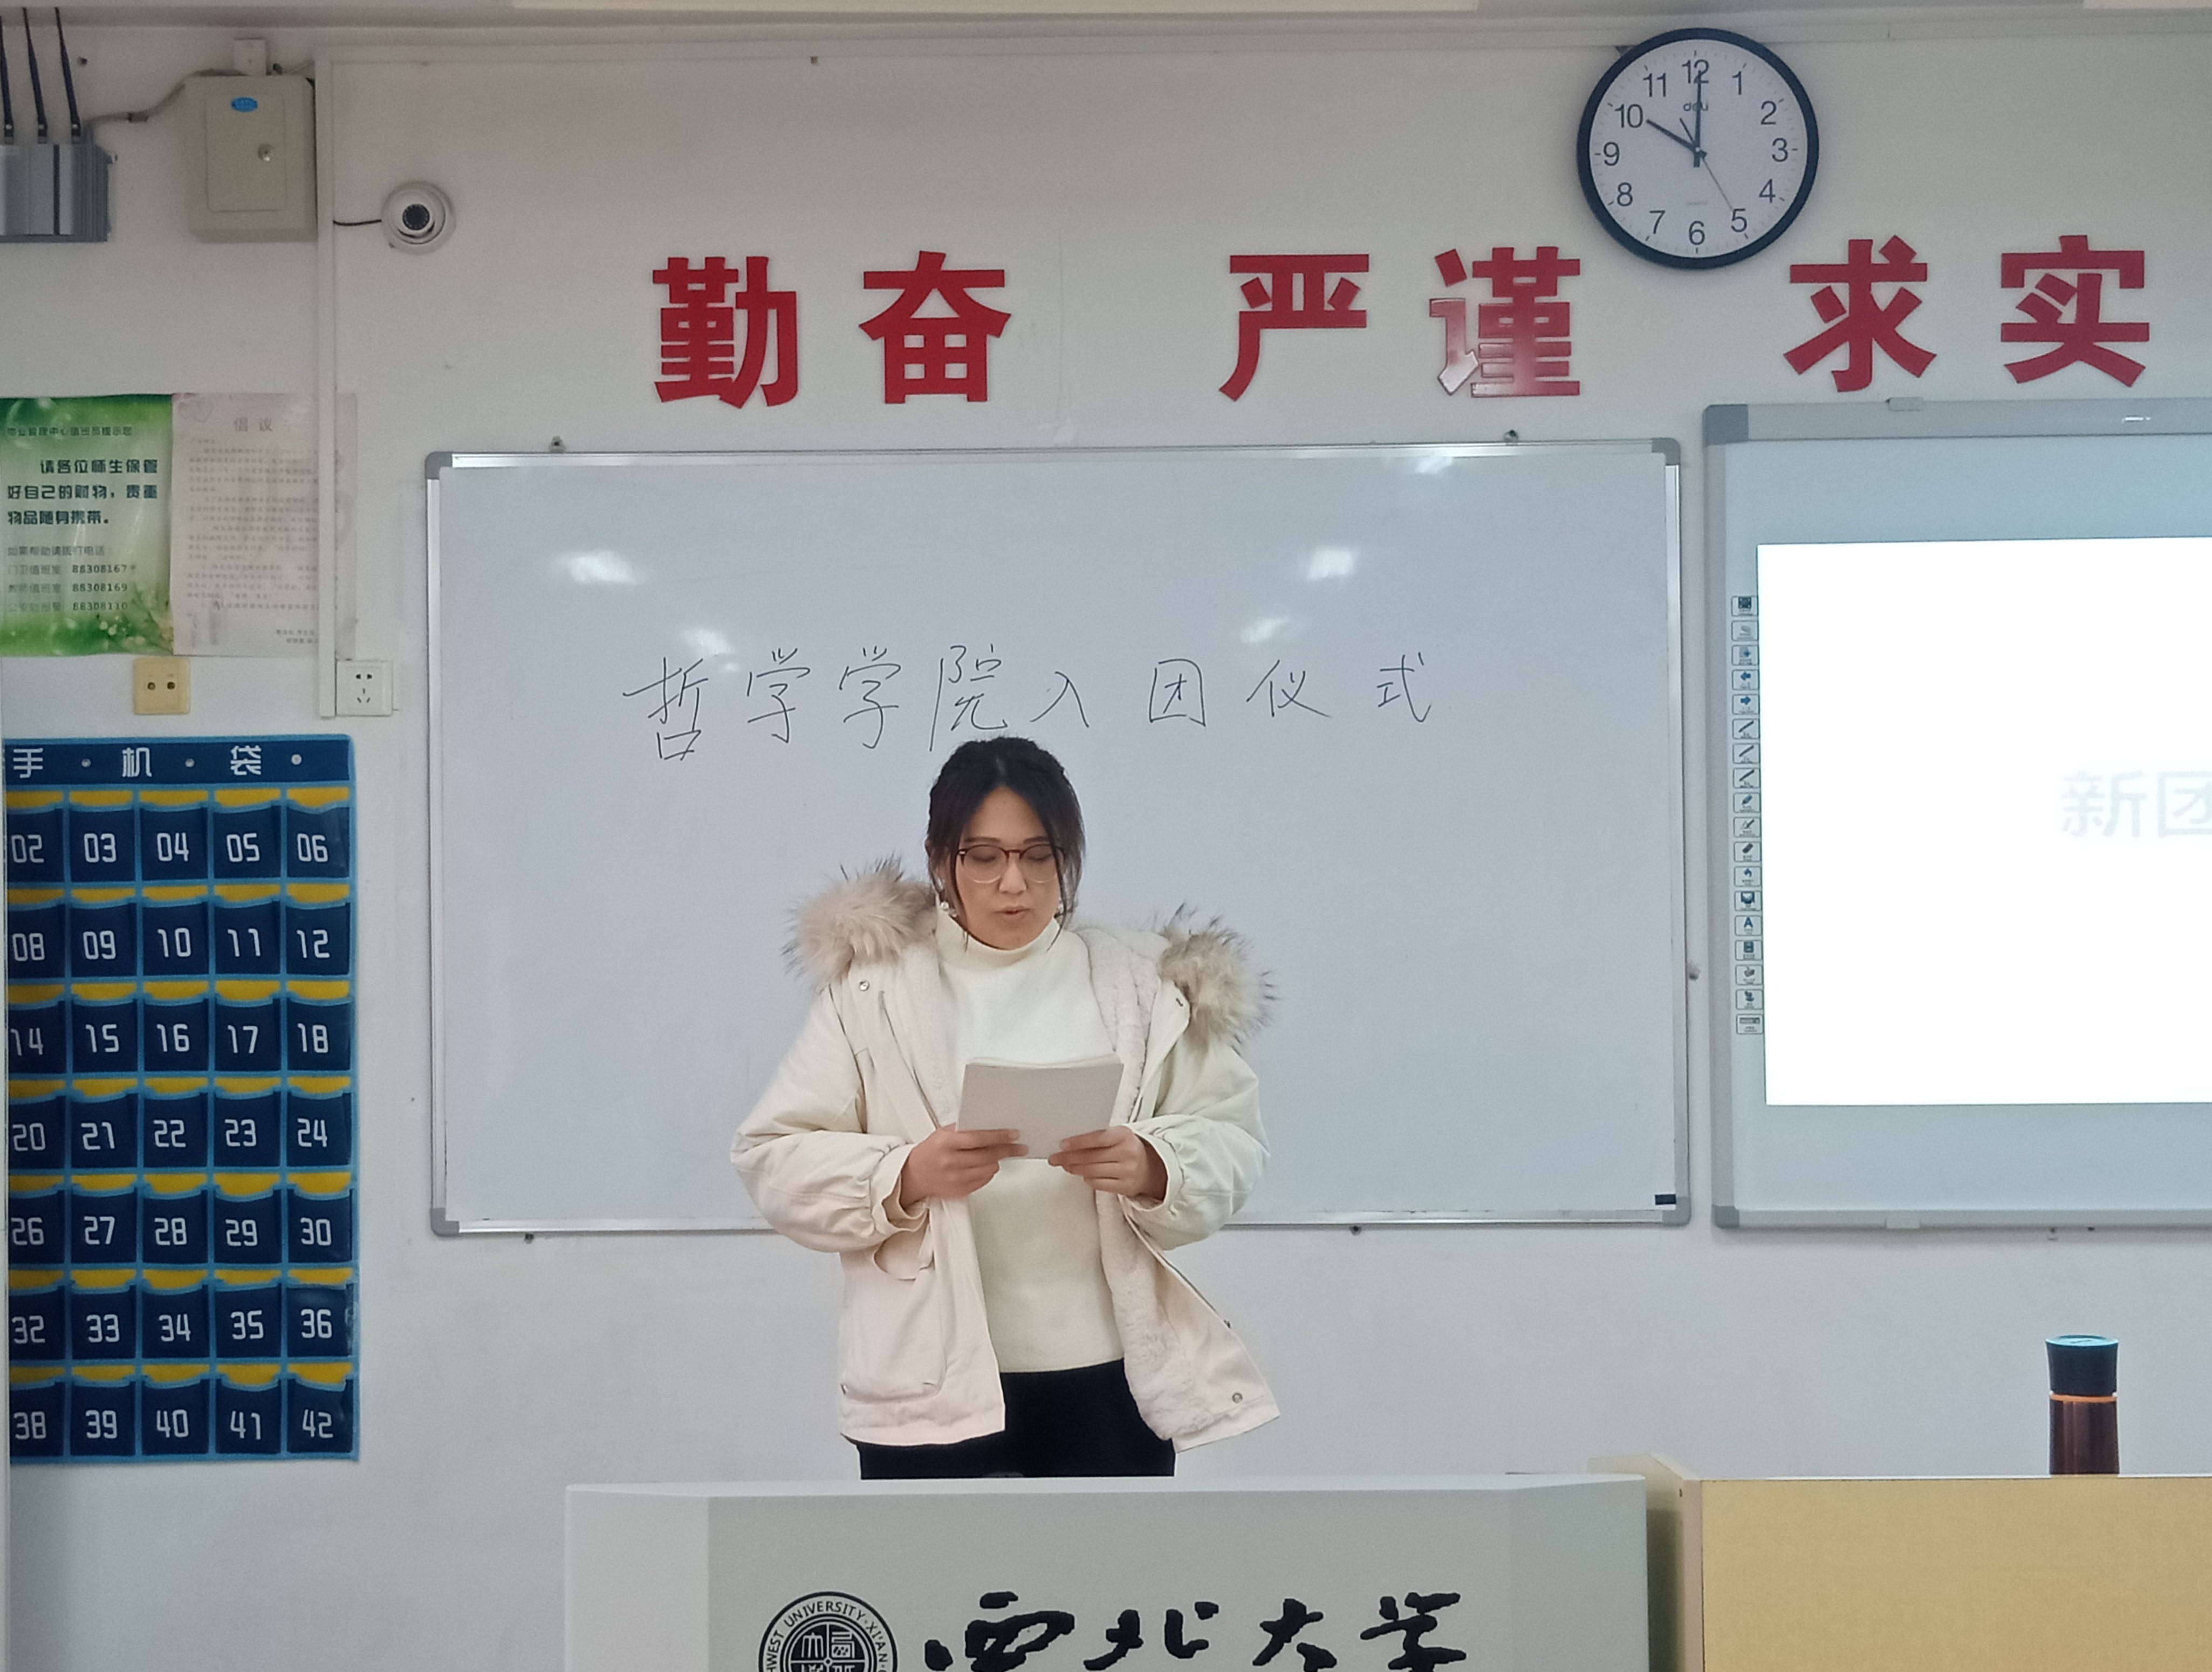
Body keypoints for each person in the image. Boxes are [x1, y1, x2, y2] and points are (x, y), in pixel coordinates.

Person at [734, 736, 1276, 1478]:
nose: (1013, 883)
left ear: (1068, 857)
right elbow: (772, 1157)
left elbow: (1233, 1138)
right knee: (933, 1561)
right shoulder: (873, 991)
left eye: (1039, 856)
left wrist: (1156, 1164)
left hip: (1110, 1374)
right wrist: (904, 1174)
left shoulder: (1144, 985)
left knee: (1111, 1558)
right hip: (928, 1382)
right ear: (941, 860)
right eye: (983, 857)